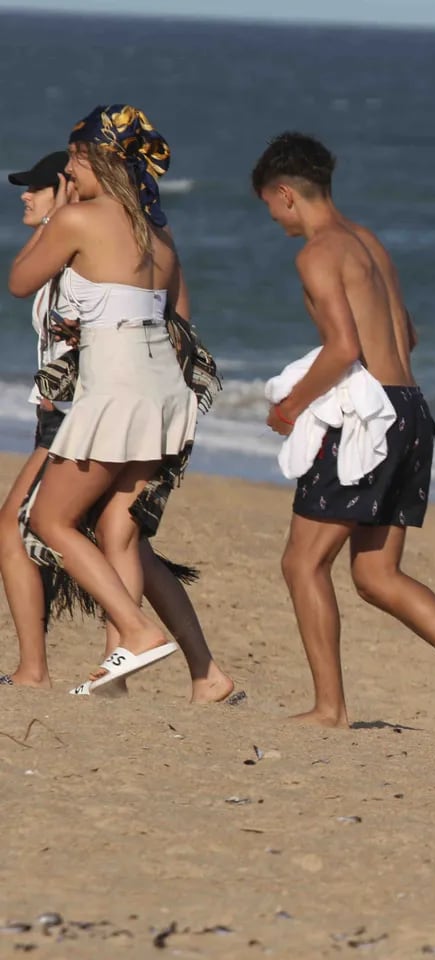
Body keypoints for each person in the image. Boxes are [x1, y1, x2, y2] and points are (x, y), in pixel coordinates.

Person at [252, 131, 435, 736]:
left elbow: (344, 347)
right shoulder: (367, 242)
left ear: (285, 194)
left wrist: (292, 404)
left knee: (301, 564)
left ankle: (329, 709)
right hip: (412, 410)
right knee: (375, 575)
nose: (271, 218)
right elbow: (406, 336)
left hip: (370, 422)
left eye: (268, 204)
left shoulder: (317, 253)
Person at [2, 146, 237, 702]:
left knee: (32, 521)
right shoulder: (145, 233)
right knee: (121, 535)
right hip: (142, 398)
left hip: (98, 405)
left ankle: (79, 655)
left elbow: (18, 281)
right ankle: (198, 673)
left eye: (42, 183)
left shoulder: (80, 230)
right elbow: (174, 320)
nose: (27, 195)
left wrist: (62, 215)